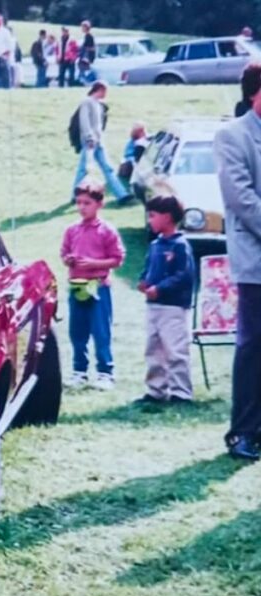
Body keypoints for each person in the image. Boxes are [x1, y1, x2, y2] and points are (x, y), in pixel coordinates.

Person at [214, 62, 261, 461]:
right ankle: (243, 432)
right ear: (254, 94)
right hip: (256, 261)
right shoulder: (232, 135)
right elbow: (241, 200)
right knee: (253, 346)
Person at [61, 179, 126, 390]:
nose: (82, 207)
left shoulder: (107, 230)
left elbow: (117, 258)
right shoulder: (72, 230)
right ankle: (79, 371)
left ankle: (105, 372)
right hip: (77, 285)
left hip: (98, 285)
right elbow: (63, 253)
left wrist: (94, 264)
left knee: (100, 330)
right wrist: (69, 259)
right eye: (79, 202)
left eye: (87, 203)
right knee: (77, 330)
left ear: (99, 204)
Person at [136, 196, 195, 406]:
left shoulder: (180, 245)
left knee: (175, 349)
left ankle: (181, 392)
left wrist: (160, 288)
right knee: (154, 349)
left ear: (168, 217)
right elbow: (148, 268)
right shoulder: (155, 245)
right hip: (153, 307)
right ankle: (156, 390)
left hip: (173, 307)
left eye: (152, 216)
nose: (149, 220)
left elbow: (184, 275)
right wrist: (143, 281)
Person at [73, 81, 131, 204]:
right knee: (83, 169)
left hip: (99, 141)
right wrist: (89, 137)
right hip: (89, 141)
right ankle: (75, 195)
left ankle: (121, 195)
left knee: (107, 168)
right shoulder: (86, 102)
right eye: (104, 91)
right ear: (99, 89)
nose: (105, 94)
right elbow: (84, 122)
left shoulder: (99, 104)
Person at [78, 20, 97, 85]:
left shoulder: (89, 36)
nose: (82, 28)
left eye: (83, 27)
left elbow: (92, 48)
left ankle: (88, 82)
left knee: (86, 71)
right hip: (84, 57)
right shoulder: (86, 36)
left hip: (87, 58)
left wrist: (87, 56)